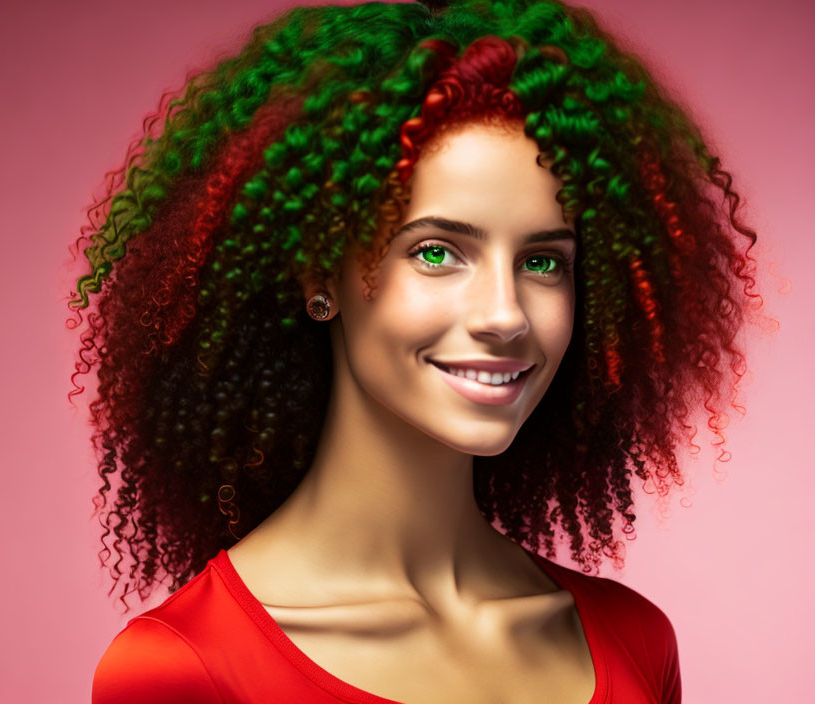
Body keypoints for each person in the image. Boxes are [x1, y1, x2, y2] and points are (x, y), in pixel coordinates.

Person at [73, 1, 763, 701]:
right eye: (437, 252)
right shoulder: (184, 670)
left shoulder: (636, 642)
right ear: (320, 273)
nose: (505, 314)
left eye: (544, 263)